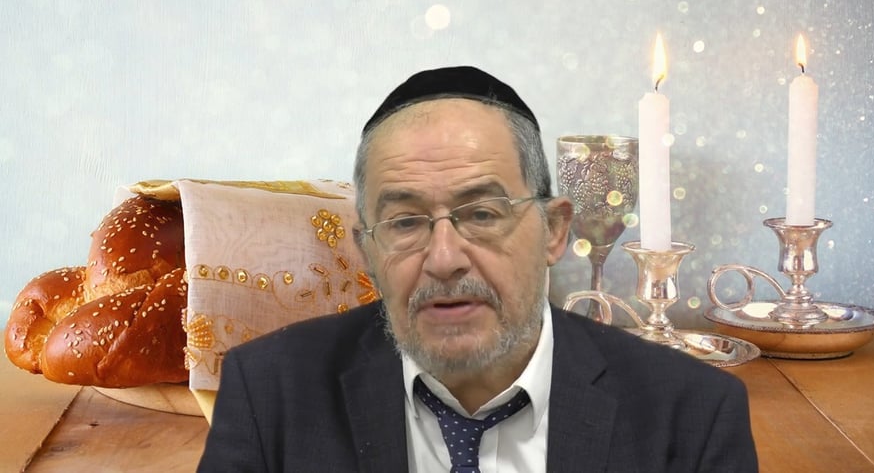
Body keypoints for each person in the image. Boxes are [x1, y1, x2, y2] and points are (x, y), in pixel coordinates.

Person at [197, 66, 758, 472]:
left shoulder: (691, 415)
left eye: (483, 214)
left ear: (554, 230)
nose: (444, 259)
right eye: (405, 222)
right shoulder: (269, 392)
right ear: (367, 250)